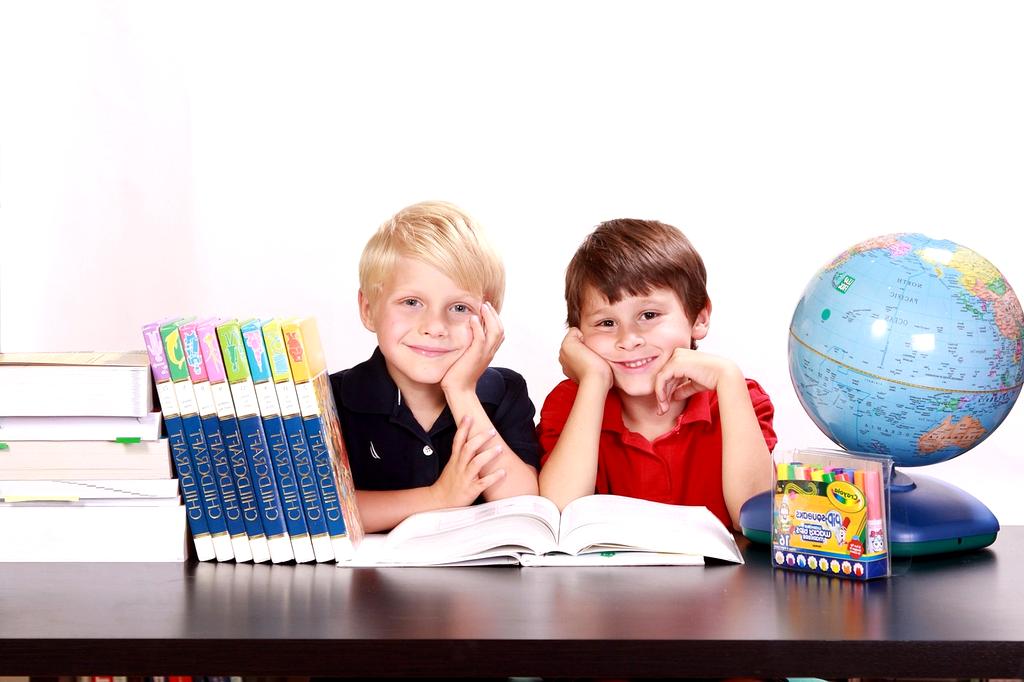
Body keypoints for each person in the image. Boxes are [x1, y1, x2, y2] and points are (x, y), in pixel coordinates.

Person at [537, 218, 776, 530]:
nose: (628, 339)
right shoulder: (572, 403)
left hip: (720, 581)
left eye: (649, 315)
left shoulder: (738, 398)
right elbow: (556, 518)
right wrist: (594, 381)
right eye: (606, 323)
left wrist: (728, 378)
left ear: (700, 317)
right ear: (578, 335)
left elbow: (758, 523)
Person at [331, 201, 540, 533]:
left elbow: (525, 505)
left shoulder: (504, 392)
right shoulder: (335, 398)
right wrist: (438, 497)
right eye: (412, 302)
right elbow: (325, 511)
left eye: (459, 307)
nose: (435, 326)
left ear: (489, 319)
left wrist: (461, 391)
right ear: (369, 309)